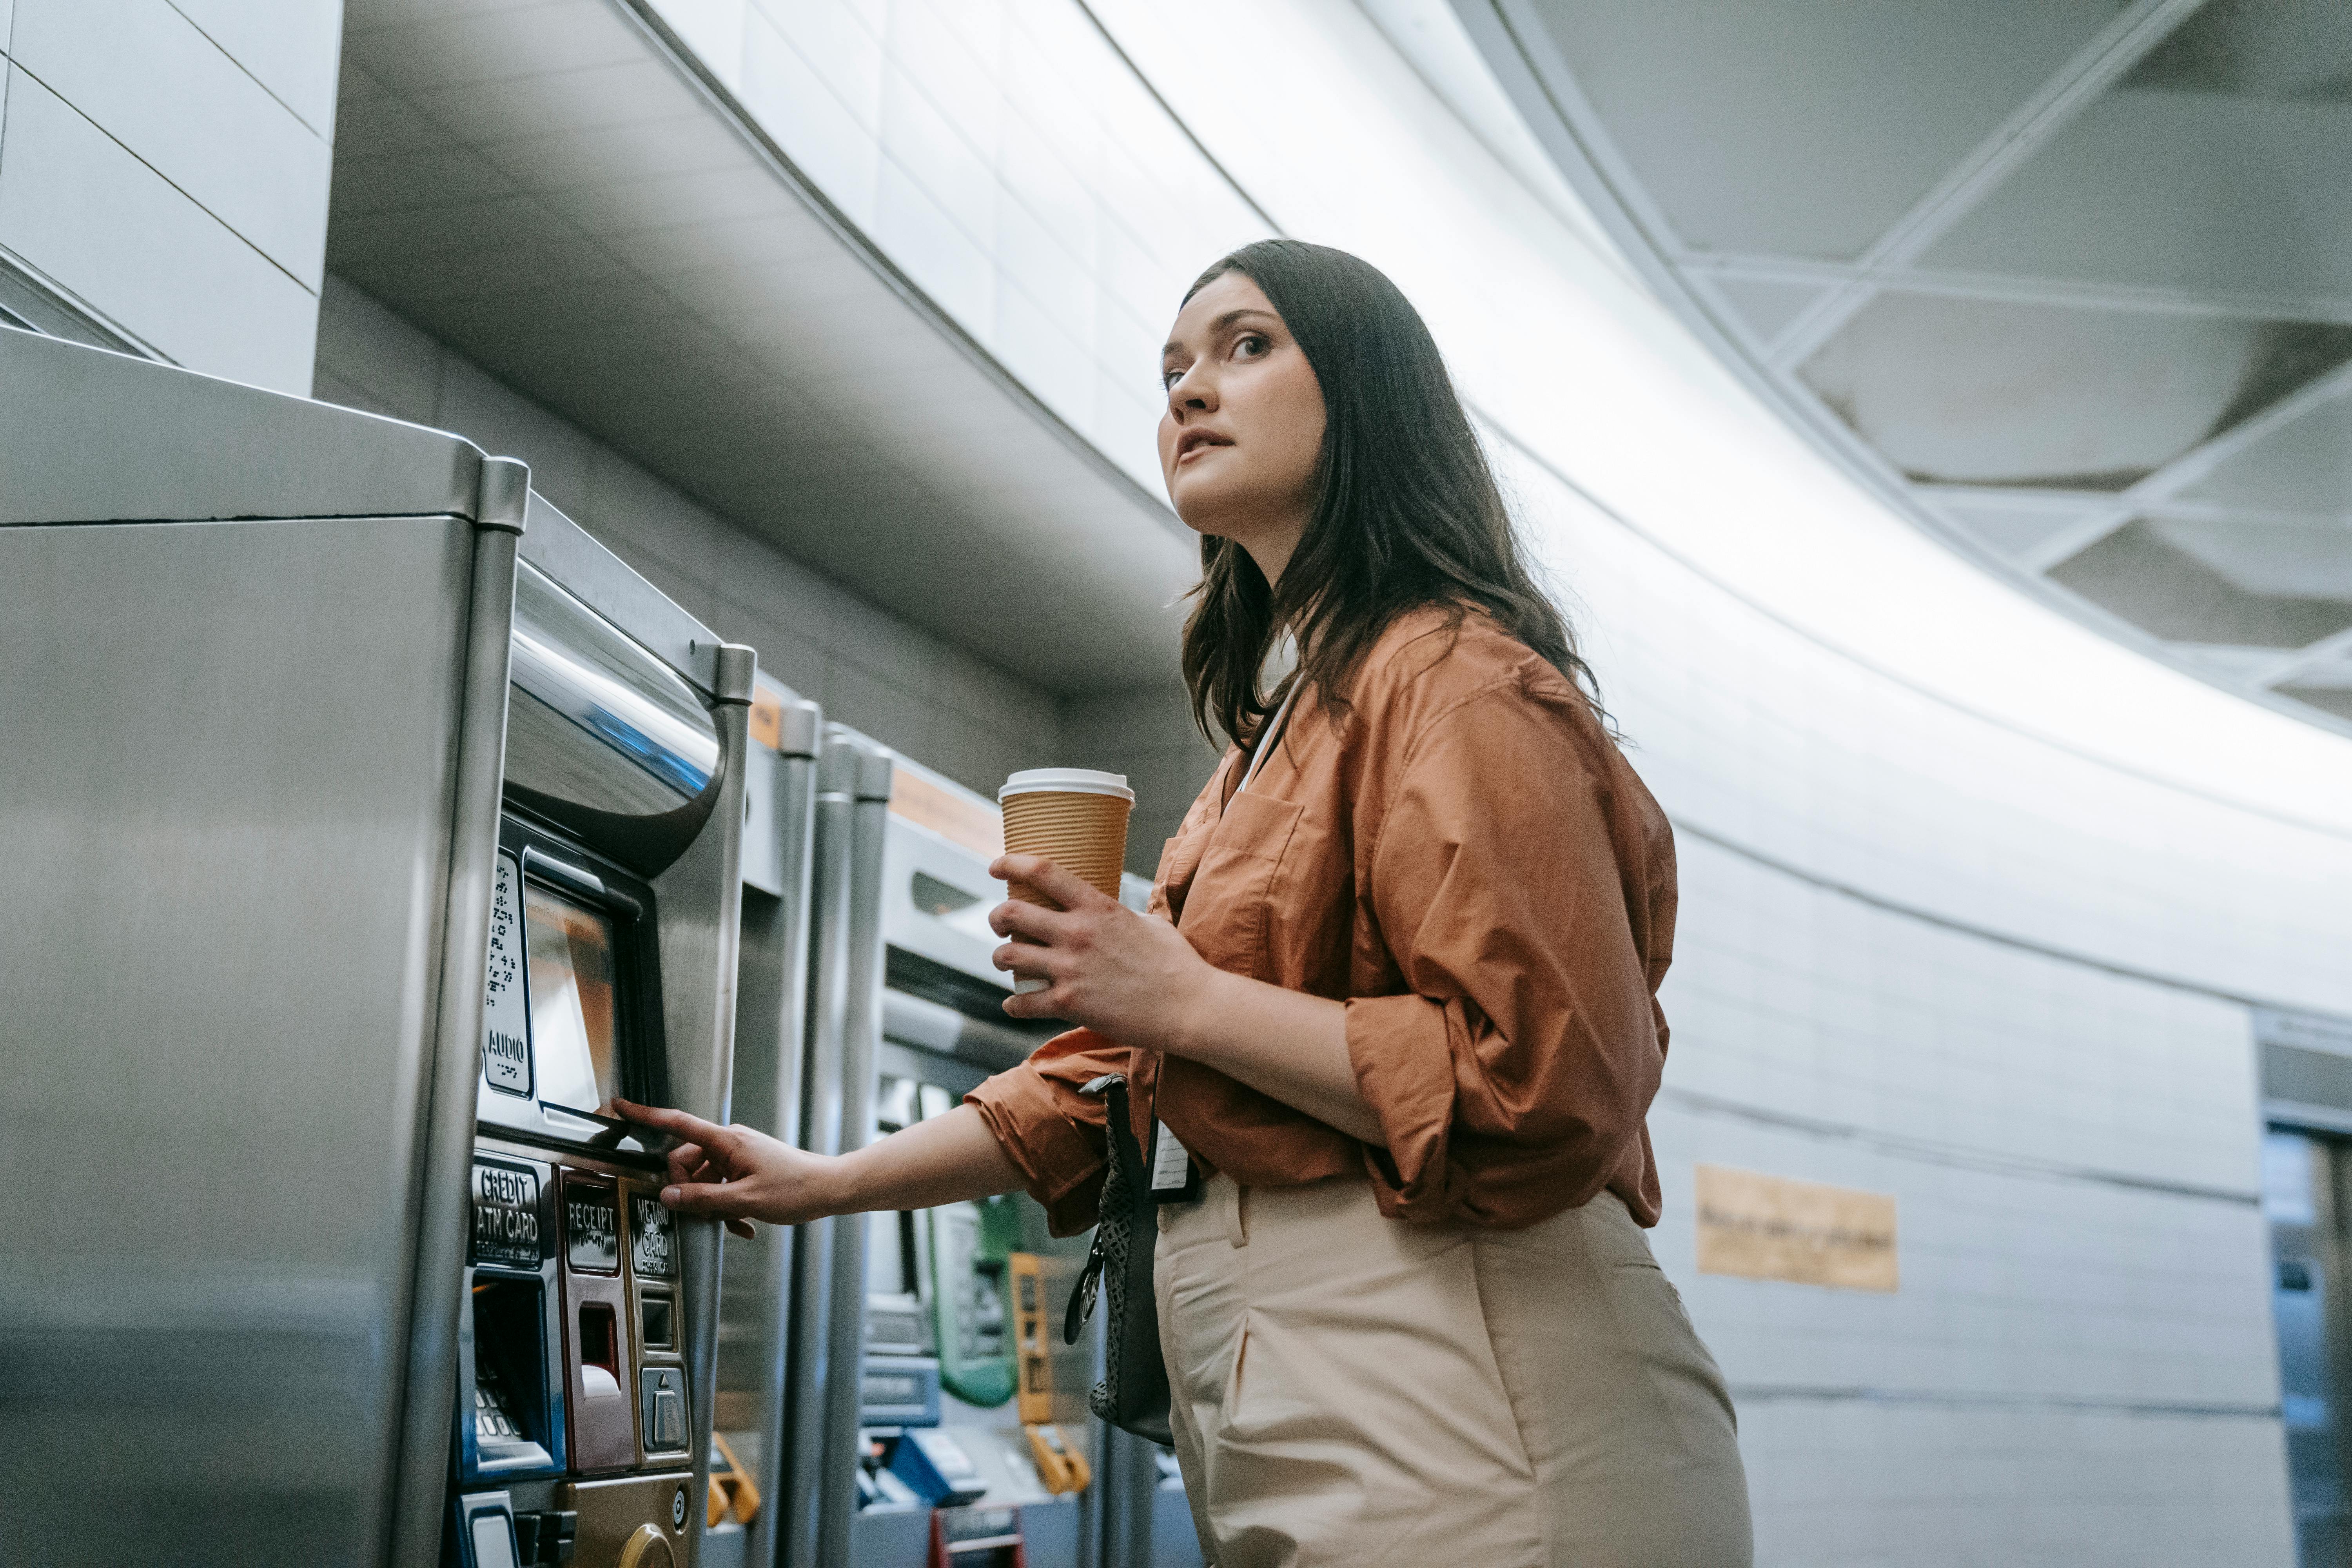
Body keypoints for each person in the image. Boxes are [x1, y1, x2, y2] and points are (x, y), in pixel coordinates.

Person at [621, 239, 1752, 1567]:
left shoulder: (1460, 682)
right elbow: (1114, 1078)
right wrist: (830, 1182)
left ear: (1370, 396)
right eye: (1171, 370)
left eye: (1246, 346)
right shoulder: (1269, 747)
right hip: (1317, 1411)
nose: (1188, 391)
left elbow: (1552, 1084)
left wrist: (1190, 995)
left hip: (1479, 1402)